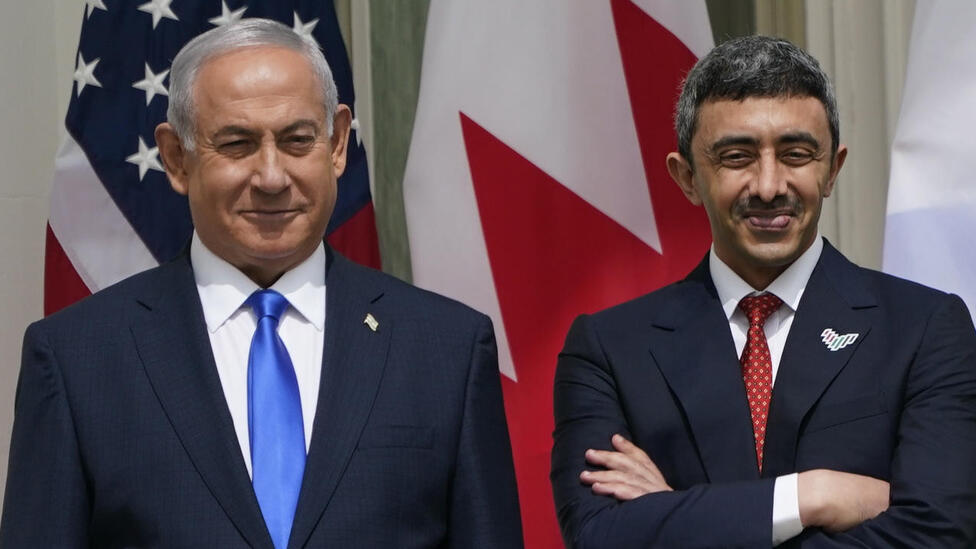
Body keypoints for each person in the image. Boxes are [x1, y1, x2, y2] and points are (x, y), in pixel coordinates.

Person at [1, 19, 522, 549]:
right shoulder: (77, 358)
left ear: (338, 143)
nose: (272, 177)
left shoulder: (445, 349)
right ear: (177, 158)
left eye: (298, 140)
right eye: (237, 143)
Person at [551, 35, 976, 548]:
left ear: (832, 170)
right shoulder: (609, 350)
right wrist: (811, 495)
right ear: (686, 178)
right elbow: (599, 537)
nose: (770, 185)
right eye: (737, 157)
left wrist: (672, 514)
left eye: (796, 154)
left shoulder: (925, 329)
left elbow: (940, 536)